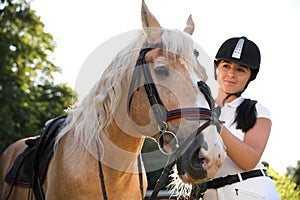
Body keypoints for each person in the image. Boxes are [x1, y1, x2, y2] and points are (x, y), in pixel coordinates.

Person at [191, 36, 280, 199]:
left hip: (251, 191)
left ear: (249, 76)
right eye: (226, 66)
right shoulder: (198, 107)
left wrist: (215, 123)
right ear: (216, 68)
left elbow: (248, 161)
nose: (231, 74)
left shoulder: (258, 111)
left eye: (240, 70)